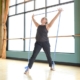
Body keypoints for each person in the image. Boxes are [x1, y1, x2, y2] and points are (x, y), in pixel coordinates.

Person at [24, 8, 62, 74]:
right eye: (42, 18)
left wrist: (59, 12)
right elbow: (34, 21)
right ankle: (28, 68)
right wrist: (32, 17)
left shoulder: (48, 26)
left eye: (44, 18)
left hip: (45, 43)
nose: (42, 18)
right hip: (38, 43)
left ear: (46, 21)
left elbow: (53, 19)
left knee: (48, 55)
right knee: (34, 55)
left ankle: (51, 66)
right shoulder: (38, 25)